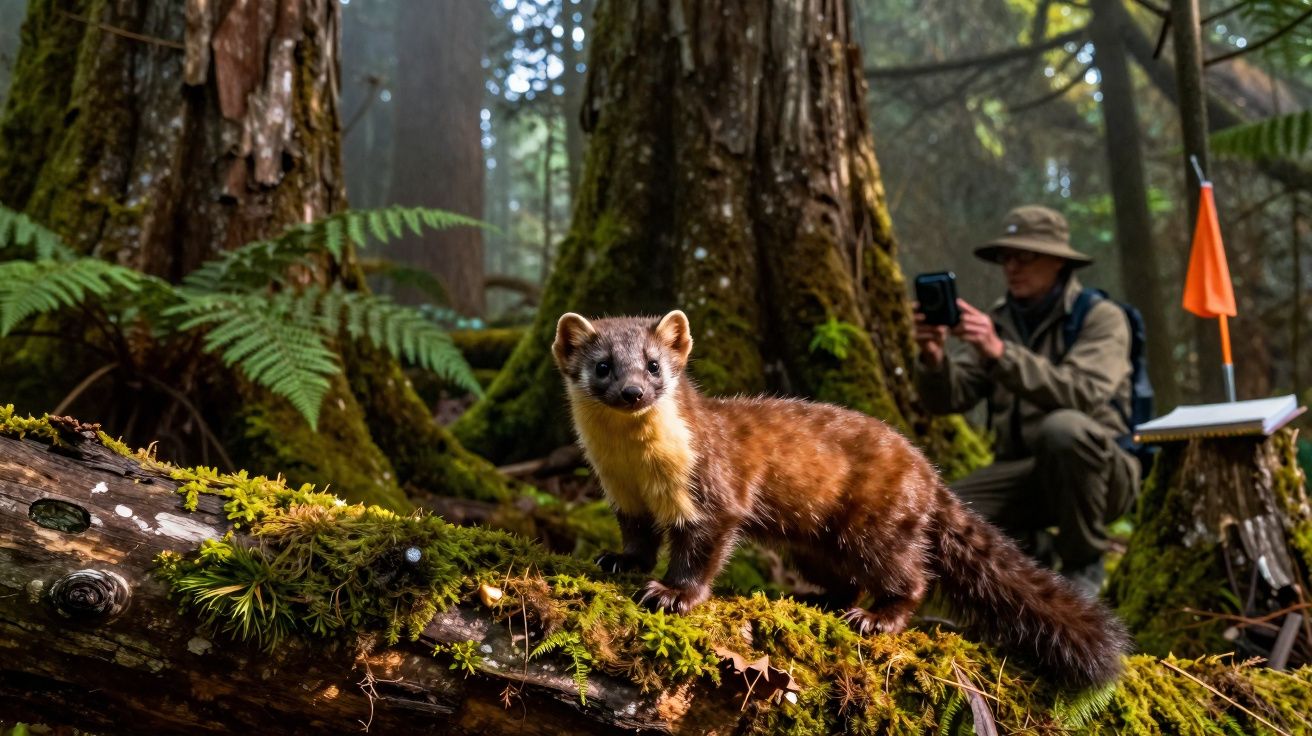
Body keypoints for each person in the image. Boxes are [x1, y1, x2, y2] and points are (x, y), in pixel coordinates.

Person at [914, 205, 1140, 597]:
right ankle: (1033, 552)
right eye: (1006, 258)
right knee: (940, 515)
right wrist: (934, 358)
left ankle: (1083, 563)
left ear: (1057, 262)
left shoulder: (1101, 318)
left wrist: (999, 352)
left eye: (1025, 257)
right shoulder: (999, 321)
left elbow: (1083, 392)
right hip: (1023, 475)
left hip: (1099, 476)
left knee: (1064, 430)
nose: (1011, 267)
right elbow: (951, 398)